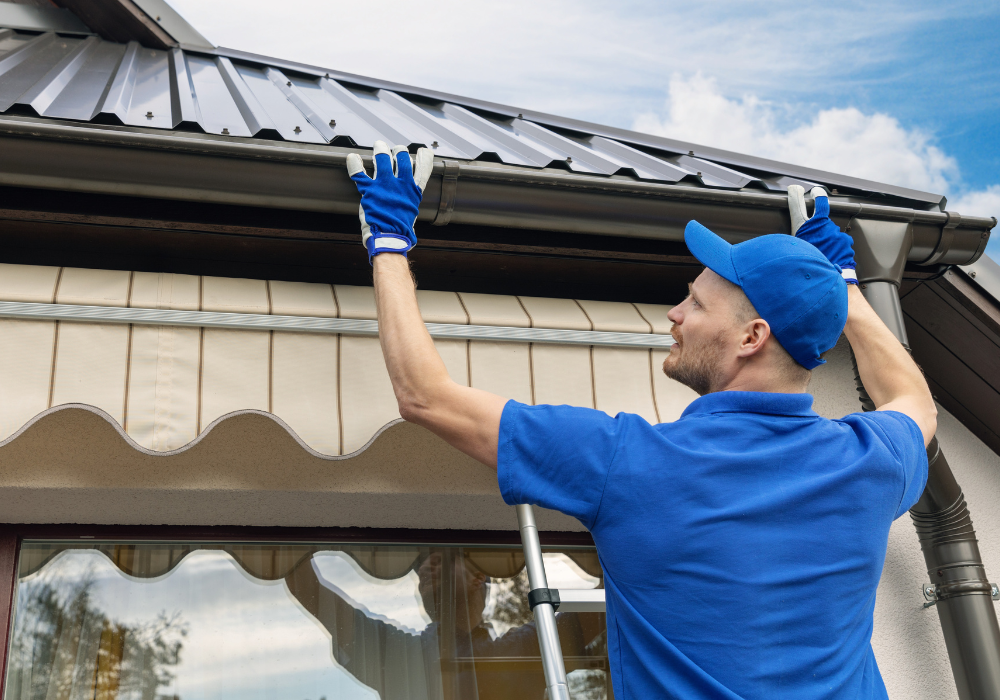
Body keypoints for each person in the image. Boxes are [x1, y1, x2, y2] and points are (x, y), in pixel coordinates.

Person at [343, 142, 935, 699]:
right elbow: (914, 400)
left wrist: (389, 243)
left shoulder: (630, 463)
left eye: (697, 304)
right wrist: (844, 292)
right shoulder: (870, 462)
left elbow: (425, 396)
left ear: (753, 338)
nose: (675, 314)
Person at [284, 548, 607, 700]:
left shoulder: (523, 649)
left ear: (478, 575)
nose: (424, 568)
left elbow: (604, 603)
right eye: (420, 565)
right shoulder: (399, 655)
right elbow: (306, 588)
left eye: (438, 559)